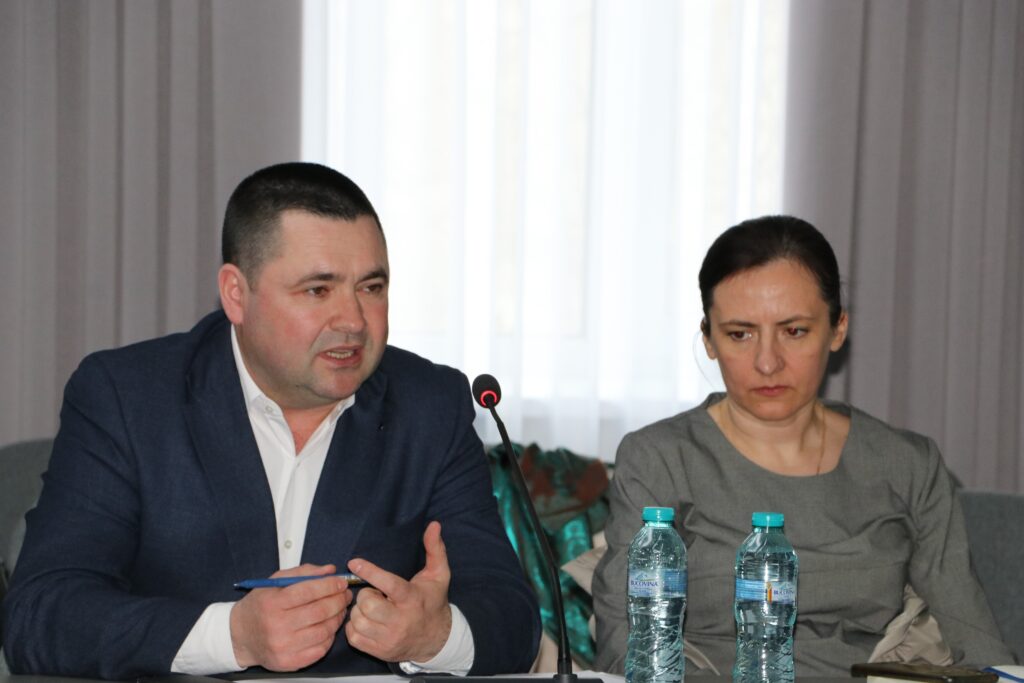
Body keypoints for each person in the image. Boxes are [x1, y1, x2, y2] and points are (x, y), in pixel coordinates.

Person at [1, 162, 541, 679]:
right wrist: (233, 635)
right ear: (237, 294)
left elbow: (513, 619)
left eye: (371, 288)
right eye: (318, 290)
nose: (354, 320)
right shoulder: (127, 397)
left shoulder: (430, 405)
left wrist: (436, 636)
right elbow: (41, 613)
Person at [592, 215, 1015, 676]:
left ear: (837, 329)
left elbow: (975, 641)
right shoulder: (659, 460)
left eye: (793, 331)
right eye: (740, 334)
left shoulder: (908, 464)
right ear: (709, 339)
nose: (767, 363)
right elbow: (624, 647)